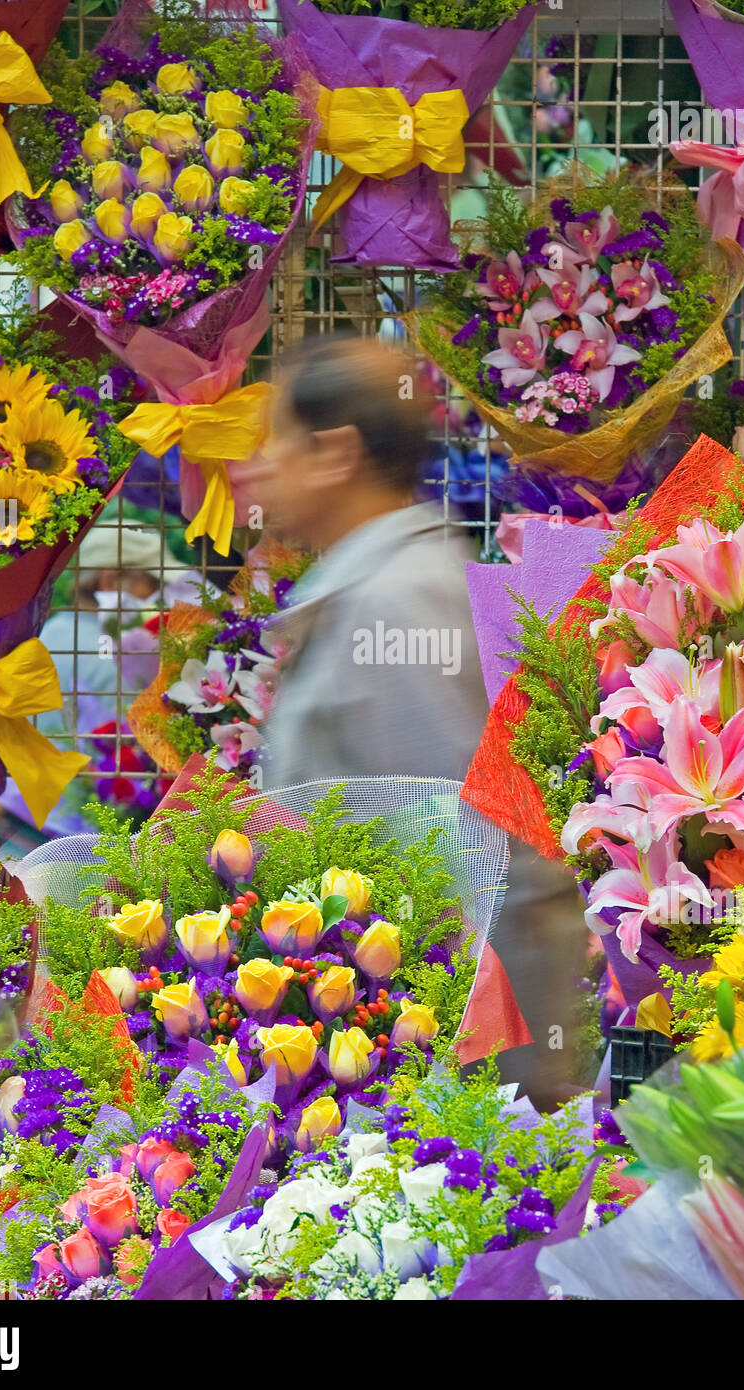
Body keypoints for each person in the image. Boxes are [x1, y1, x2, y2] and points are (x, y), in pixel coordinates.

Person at [252, 334, 586, 1110]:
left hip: (439, 1079)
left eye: (274, 439)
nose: (258, 466)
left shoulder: (396, 599)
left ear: (334, 452)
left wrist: (492, 1085)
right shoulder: (376, 587)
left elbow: (476, 857)